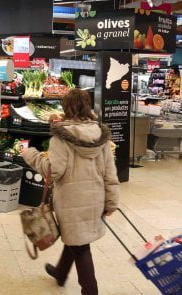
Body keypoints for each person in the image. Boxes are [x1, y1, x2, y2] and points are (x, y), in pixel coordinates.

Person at [22, 88, 120, 295]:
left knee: (80, 246)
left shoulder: (61, 137)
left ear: (66, 107)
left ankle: (90, 291)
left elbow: (53, 171)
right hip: (95, 199)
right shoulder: (101, 134)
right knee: (76, 237)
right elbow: (110, 173)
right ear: (87, 106)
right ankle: (60, 272)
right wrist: (111, 202)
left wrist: (30, 154)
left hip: (71, 201)